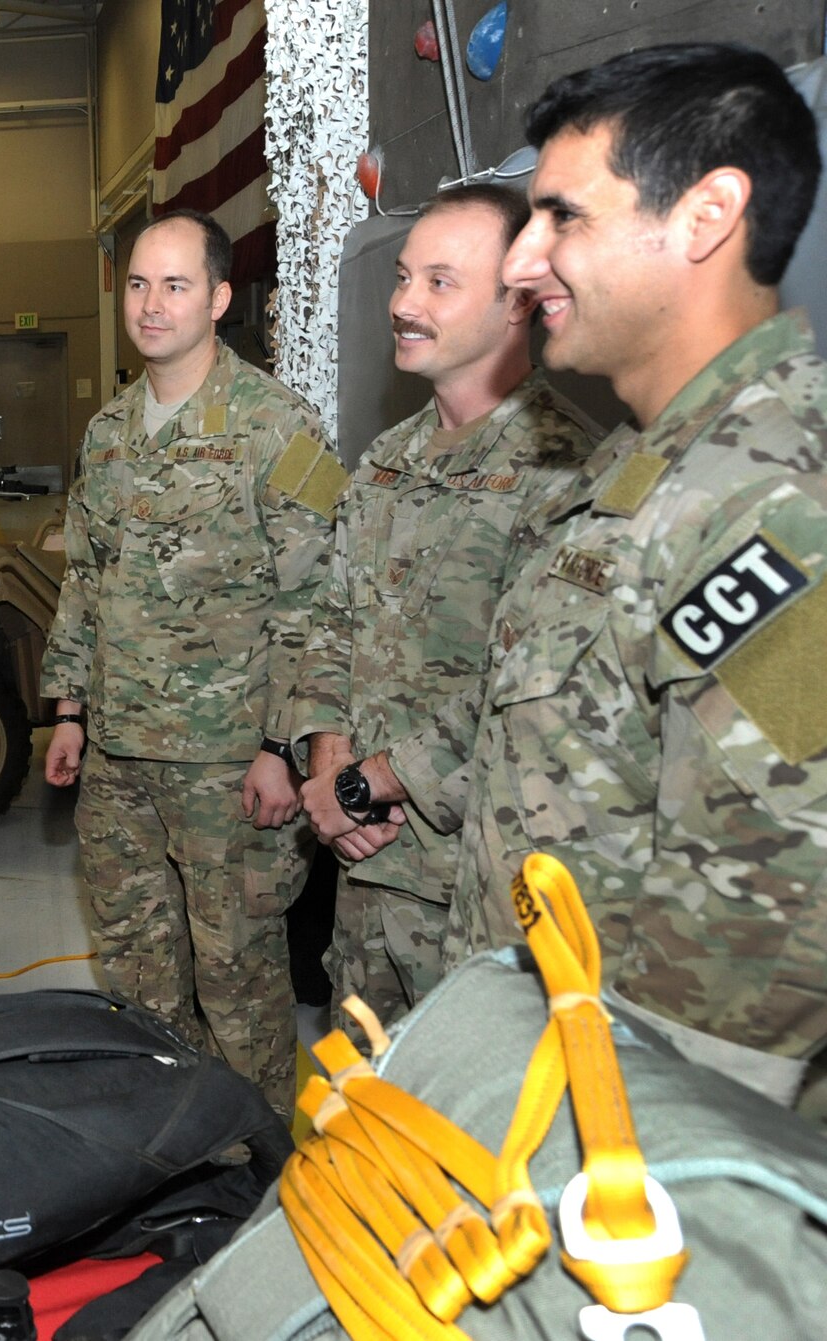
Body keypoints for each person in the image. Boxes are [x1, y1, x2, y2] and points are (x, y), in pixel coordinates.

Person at [438, 43, 827, 1108]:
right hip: (542, 1073)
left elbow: (764, 930)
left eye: (561, 217)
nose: (520, 264)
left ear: (704, 215)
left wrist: (608, 1148)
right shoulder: (651, 465)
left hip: (638, 1144)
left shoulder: (773, 502)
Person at [40, 210, 337, 1116]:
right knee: (139, 976)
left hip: (226, 762)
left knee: (239, 984)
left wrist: (285, 747)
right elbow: (86, 580)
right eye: (137, 284)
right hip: (120, 760)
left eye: (174, 284)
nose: (151, 303)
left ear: (216, 297)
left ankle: (262, 1174)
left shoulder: (276, 425)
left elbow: (315, 600)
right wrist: (68, 711)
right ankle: (172, 1154)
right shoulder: (109, 433)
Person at [288, 186, 598, 1024]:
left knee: (471, 1135)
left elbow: (530, 684)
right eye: (400, 277)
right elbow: (332, 624)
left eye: (438, 282)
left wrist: (370, 785)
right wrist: (328, 771)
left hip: (478, 890)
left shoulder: (566, 472)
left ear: (518, 304)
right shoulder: (387, 459)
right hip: (365, 876)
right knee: (361, 1118)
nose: (402, 304)